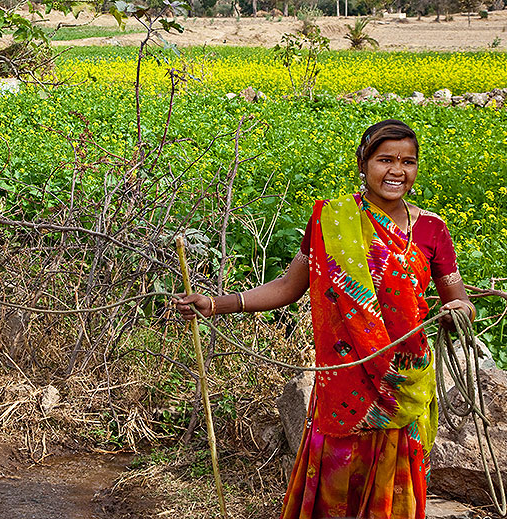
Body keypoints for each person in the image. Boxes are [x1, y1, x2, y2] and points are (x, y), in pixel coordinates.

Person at [175, 119, 475, 519]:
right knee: (335, 489)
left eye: (408, 161)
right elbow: (287, 286)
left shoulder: (433, 228)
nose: (397, 171)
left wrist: (458, 312)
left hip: (406, 384)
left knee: (396, 497)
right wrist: (216, 304)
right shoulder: (330, 220)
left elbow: (460, 299)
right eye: (385, 159)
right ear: (362, 163)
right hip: (346, 386)